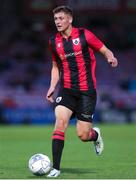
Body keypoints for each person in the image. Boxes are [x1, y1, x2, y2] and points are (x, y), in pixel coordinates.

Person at [46, 5, 118, 178]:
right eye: (56, 19)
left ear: (70, 19)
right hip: (67, 90)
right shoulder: (53, 41)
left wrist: (110, 57)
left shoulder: (85, 35)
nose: (58, 22)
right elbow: (55, 67)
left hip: (87, 92)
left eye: (61, 18)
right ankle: (55, 168)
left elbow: (104, 49)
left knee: (83, 135)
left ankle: (95, 135)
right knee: (60, 123)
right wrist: (52, 86)